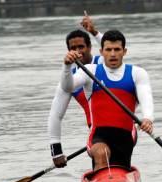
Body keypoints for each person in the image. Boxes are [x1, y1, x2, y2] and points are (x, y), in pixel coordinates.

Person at [49, 13, 138, 168]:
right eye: (73, 48)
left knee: (118, 162)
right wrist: (56, 151)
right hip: (97, 133)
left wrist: (94, 32)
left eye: (81, 47)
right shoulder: (69, 81)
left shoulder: (104, 63)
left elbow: (113, 48)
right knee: (100, 155)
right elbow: (56, 115)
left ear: (90, 47)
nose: (78, 51)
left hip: (125, 128)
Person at [61, 30, 154, 171]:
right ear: (101, 51)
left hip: (126, 135)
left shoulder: (137, 73)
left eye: (117, 49)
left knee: (121, 167)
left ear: (124, 51)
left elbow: (146, 98)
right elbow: (68, 86)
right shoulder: (89, 71)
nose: (112, 54)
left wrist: (147, 118)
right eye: (108, 50)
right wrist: (67, 66)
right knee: (101, 153)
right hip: (98, 134)